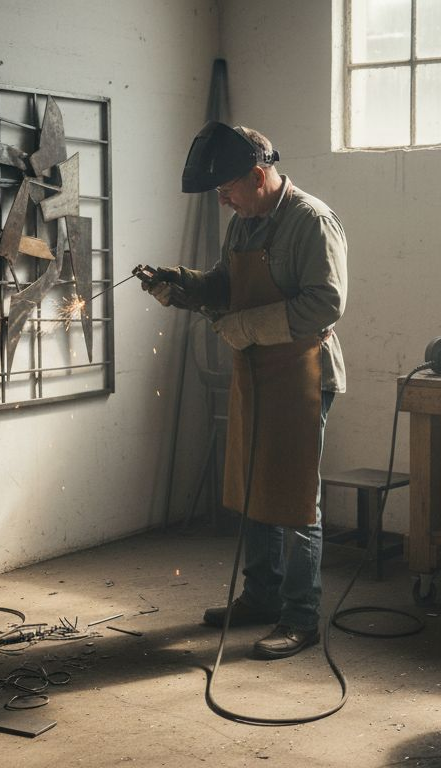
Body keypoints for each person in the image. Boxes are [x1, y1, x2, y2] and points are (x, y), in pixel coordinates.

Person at [144, 122, 347, 660]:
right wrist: (183, 283)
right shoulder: (245, 223)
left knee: (296, 498)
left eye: (229, 190)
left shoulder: (311, 221)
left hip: (304, 374)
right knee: (255, 486)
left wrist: (246, 328)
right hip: (258, 372)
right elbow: (225, 284)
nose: (224, 201)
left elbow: (325, 305)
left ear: (259, 176)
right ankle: (261, 596)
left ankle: (301, 618)